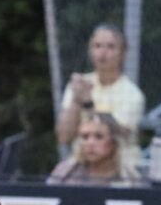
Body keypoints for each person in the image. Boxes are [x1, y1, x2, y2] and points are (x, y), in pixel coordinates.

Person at [56, 24, 145, 165]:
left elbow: (118, 135)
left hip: (120, 170)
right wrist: (76, 100)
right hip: (80, 167)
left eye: (110, 47)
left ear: (123, 53)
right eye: (97, 46)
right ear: (90, 50)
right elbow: (64, 137)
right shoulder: (79, 86)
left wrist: (88, 104)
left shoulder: (132, 94)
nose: (103, 53)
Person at [47, 112, 144, 187]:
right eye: (85, 137)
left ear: (114, 143)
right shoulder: (65, 172)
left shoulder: (129, 179)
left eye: (99, 137)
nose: (90, 143)